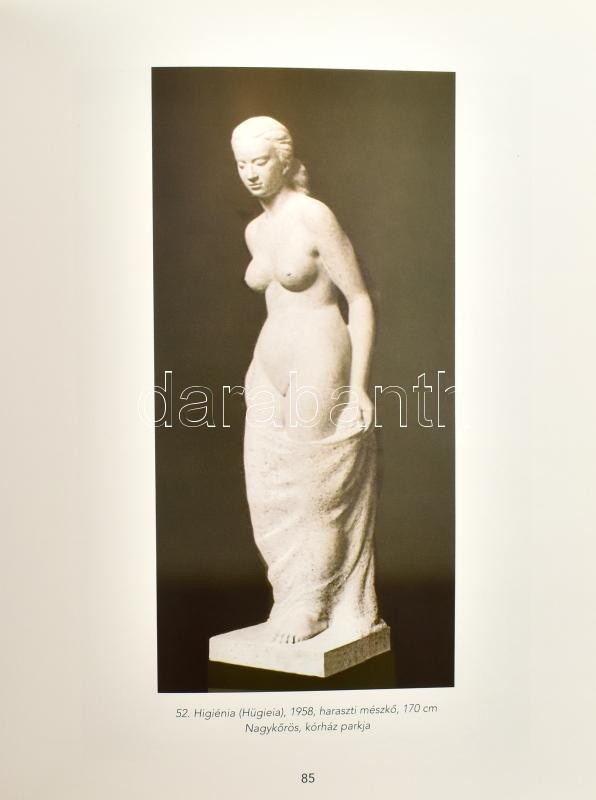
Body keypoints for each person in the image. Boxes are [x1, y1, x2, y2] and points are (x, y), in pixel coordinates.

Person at [232, 116, 382, 644]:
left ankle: (314, 601)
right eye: (242, 164)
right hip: (268, 364)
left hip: (319, 351)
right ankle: (290, 593)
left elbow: (359, 299)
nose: (251, 174)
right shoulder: (255, 229)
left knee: (313, 484)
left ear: (283, 160)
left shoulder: (314, 216)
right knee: (268, 485)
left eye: (260, 161)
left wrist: (359, 386)